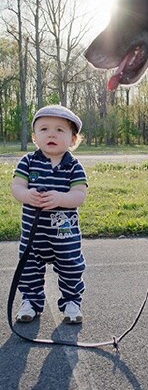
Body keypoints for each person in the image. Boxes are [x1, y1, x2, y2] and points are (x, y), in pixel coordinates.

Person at [12, 105, 88, 324]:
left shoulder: (73, 166)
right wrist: (26, 195)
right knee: (28, 269)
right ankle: (30, 301)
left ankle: (72, 302)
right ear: (35, 138)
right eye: (44, 129)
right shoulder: (28, 162)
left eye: (60, 130)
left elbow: (79, 194)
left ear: (73, 140)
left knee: (71, 268)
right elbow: (16, 187)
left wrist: (61, 199)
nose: (52, 134)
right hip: (33, 235)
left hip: (65, 236)